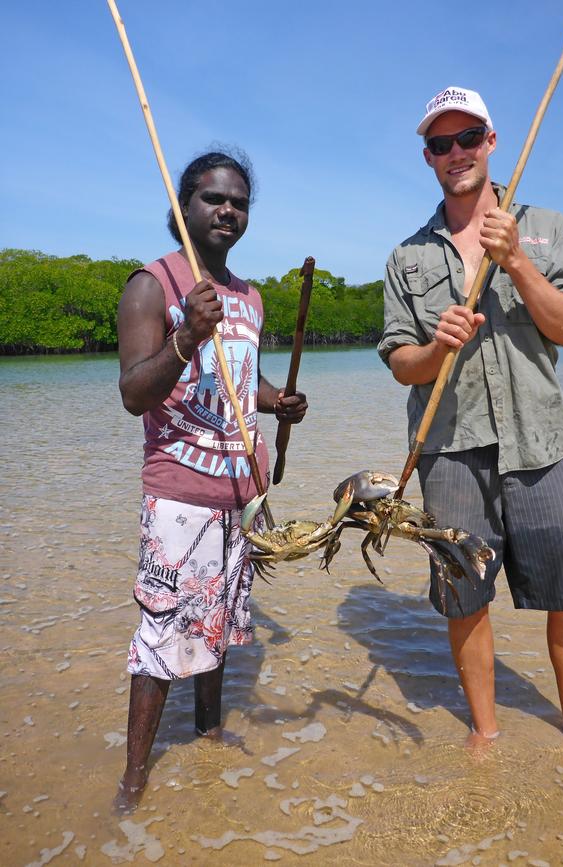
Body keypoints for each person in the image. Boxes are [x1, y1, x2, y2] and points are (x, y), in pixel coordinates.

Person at [378, 86, 563, 760]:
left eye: (467, 138)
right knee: (464, 596)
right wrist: (436, 347)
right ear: (427, 157)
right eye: (440, 144)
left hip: (542, 439)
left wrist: (515, 260)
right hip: (449, 447)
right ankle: (485, 727)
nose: (456, 153)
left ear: (491, 139)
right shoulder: (407, 257)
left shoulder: (545, 228)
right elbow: (400, 362)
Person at [115, 149, 308, 811]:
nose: (228, 210)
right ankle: (135, 775)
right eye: (214, 198)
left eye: (240, 202)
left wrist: (278, 400)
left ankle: (208, 729)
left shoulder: (250, 298)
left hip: (239, 493)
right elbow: (134, 393)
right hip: (178, 494)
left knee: (219, 626)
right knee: (162, 638)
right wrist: (184, 337)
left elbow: (240, 386)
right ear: (184, 208)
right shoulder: (154, 284)